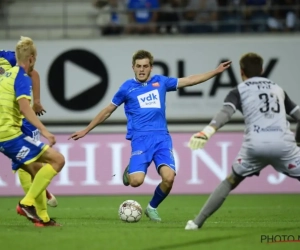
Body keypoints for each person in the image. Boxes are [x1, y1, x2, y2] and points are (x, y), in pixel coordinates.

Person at [69, 49, 231, 222]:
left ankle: (152, 207)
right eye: (138, 66)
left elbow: (190, 80)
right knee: (136, 182)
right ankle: (131, 170)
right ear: (133, 67)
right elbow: (108, 110)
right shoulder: (126, 88)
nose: (141, 69)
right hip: (140, 139)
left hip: (162, 137)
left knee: (169, 178)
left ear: (151, 67)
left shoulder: (160, 82)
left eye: (145, 66)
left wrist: (215, 72)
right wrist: (87, 129)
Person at [185, 52, 300, 230]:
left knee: (230, 181)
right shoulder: (277, 89)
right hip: (284, 145)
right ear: (262, 69)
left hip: (255, 146)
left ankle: (196, 223)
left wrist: (208, 131)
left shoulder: (239, 90)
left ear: (241, 71)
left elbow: (225, 114)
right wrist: (298, 143)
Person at [0, 37, 65, 226]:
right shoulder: (20, 76)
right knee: (58, 160)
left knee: (35, 170)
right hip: (10, 132)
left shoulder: (8, 65)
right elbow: (24, 108)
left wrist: (36, 100)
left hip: (7, 129)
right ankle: (26, 204)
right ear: (31, 58)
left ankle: (42, 218)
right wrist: (45, 131)